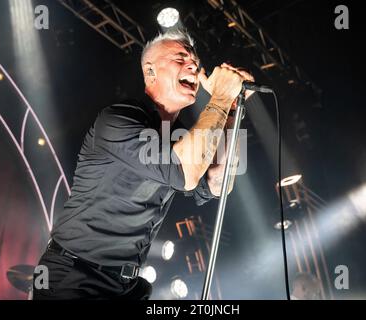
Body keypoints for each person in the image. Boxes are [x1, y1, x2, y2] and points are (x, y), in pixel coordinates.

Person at [32, 29, 254, 300]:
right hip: (75, 276)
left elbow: (218, 184)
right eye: (180, 57)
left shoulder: (181, 137)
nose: (193, 65)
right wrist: (218, 99)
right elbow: (185, 173)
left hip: (125, 284)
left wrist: (231, 112)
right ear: (150, 72)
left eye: (194, 59)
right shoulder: (117, 120)